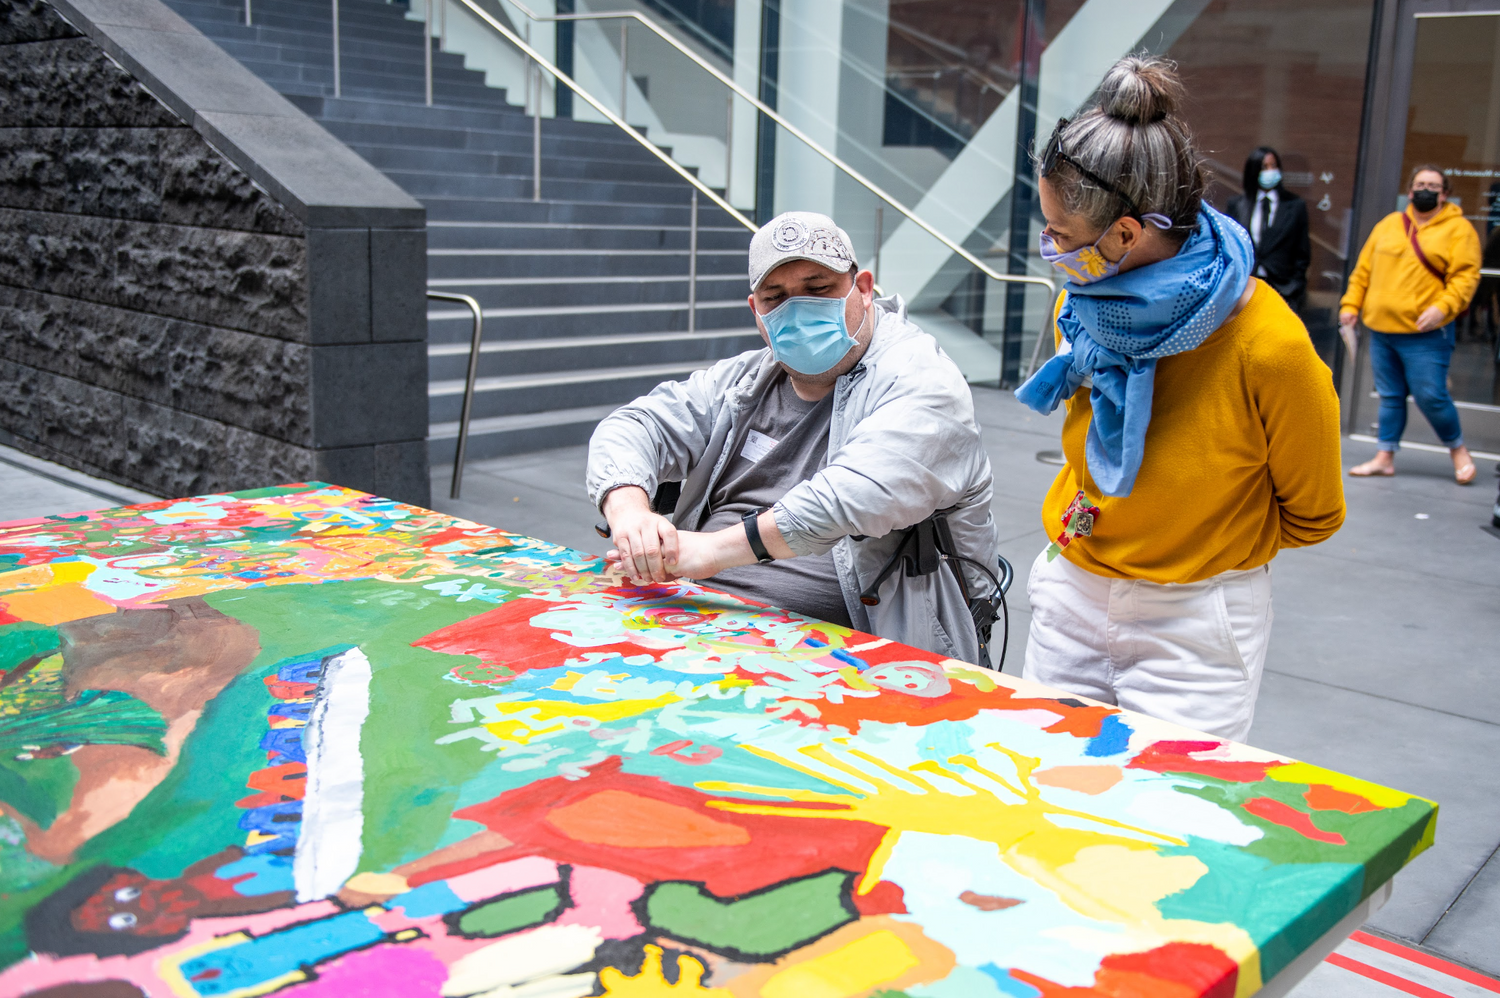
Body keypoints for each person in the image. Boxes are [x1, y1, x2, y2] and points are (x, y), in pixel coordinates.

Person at [1012, 55, 1345, 742]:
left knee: (1160, 833)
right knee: (1040, 804)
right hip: (1072, 592)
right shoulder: (1087, 303)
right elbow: (1091, 453)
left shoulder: (1268, 348)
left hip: (1194, 625)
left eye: (1061, 236)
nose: (1049, 250)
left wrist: (1193, 539)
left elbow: (1314, 513)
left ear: (1127, 234)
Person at [586, 211, 999, 663]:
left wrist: (704, 552)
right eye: (776, 297)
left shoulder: (922, 377)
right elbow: (637, 424)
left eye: (818, 288)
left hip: (852, 653)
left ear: (862, 288)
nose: (797, 308)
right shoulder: (747, 379)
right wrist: (630, 515)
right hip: (697, 616)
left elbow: (846, 498)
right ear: (756, 312)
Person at [1341, 165, 1481, 484]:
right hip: (1381, 329)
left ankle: (1458, 450)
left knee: (1430, 395)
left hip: (1426, 332)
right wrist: (1351, 305)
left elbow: (1465, 278)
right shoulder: (1389, 225)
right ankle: (1384, 457)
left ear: (1445, 193)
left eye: (1433, 185)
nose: (1425, 190)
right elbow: (1363, 270)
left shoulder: (1459, 230)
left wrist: (1442, 308)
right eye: (1419, 184)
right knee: (1390, 396)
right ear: (1409, 189)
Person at [1226, 146, 1311, 310]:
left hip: (1282, 289)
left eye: (1274, 166)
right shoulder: (1238, 205)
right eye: (1264, 167)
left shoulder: (1295, 206)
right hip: (1245, 288)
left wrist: (1295, 288)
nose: (1270, 171)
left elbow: (1302, 254)